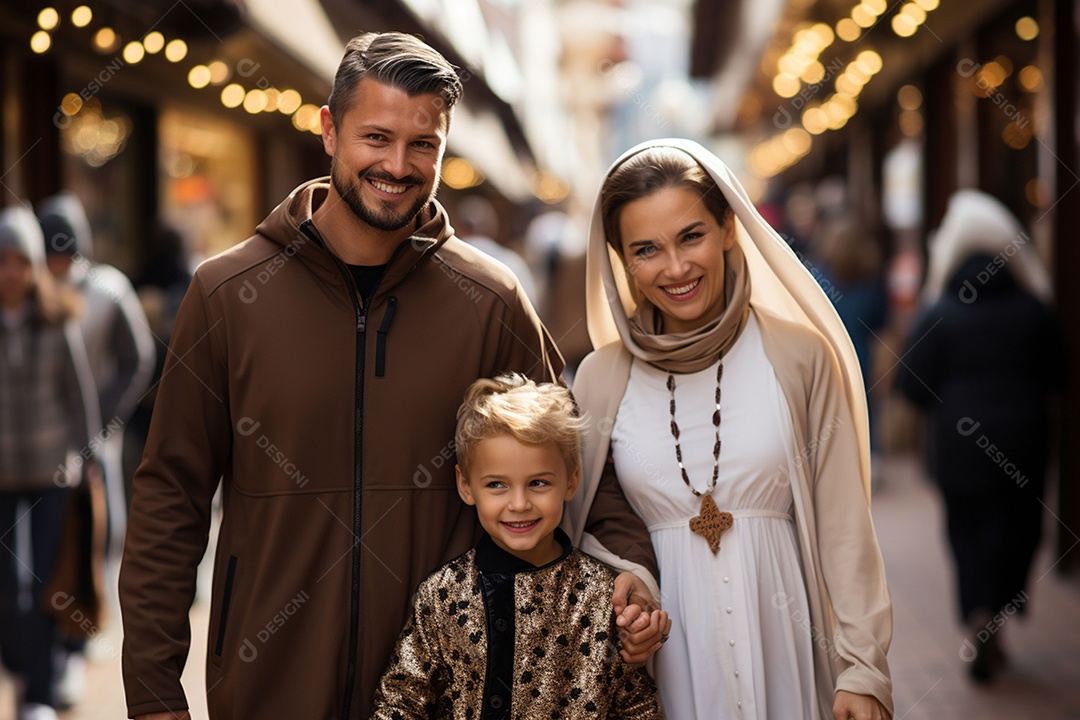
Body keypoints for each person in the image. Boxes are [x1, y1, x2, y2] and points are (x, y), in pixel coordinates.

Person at [120, 32, 662, 720]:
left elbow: (575, 461)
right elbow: (171, 498)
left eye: (423, 145)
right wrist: (155, 694)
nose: (398, 165)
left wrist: (630, 575)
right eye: (376, 137)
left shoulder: (490, 301)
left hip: (453, 695)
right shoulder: (227, 294)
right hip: (268, 688)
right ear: (328, 130)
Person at [564, 139, 894, 720]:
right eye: (646, 249)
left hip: (792, 646)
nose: (675, 267)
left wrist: (862, 668)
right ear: (622, 261)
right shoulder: (600, 380)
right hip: (666, 667)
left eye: (691, 235)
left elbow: (845, 525)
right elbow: (584, 531)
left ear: (729, 228)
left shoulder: (797, 357)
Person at [371, 375, 666, 719]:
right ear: (465, 486)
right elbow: (402, 701)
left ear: (572, 481)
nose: (519, 503)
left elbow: (638, 707)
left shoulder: (603, 597)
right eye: (497, 484)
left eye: (538, 482)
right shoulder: (442, 595)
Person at [894, 189, 1064, 683]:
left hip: (959, 448)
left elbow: (910, 385)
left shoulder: (940, 311)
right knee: (1018, 531)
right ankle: (1000, 613)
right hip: (1024, 444)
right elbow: (1060, 376)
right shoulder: (1034, 309)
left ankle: (977, 614)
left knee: (966, 533)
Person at [0, 205, 99, 720]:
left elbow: (79, 397)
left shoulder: (59, 319)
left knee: (45, 586)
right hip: (2, 479)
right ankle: (22, 667)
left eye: (21, 260)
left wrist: (88, 459)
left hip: (52, 476)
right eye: (3, 260)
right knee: (6, 591)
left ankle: (37, 694)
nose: (11, 271)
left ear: (35, 265)